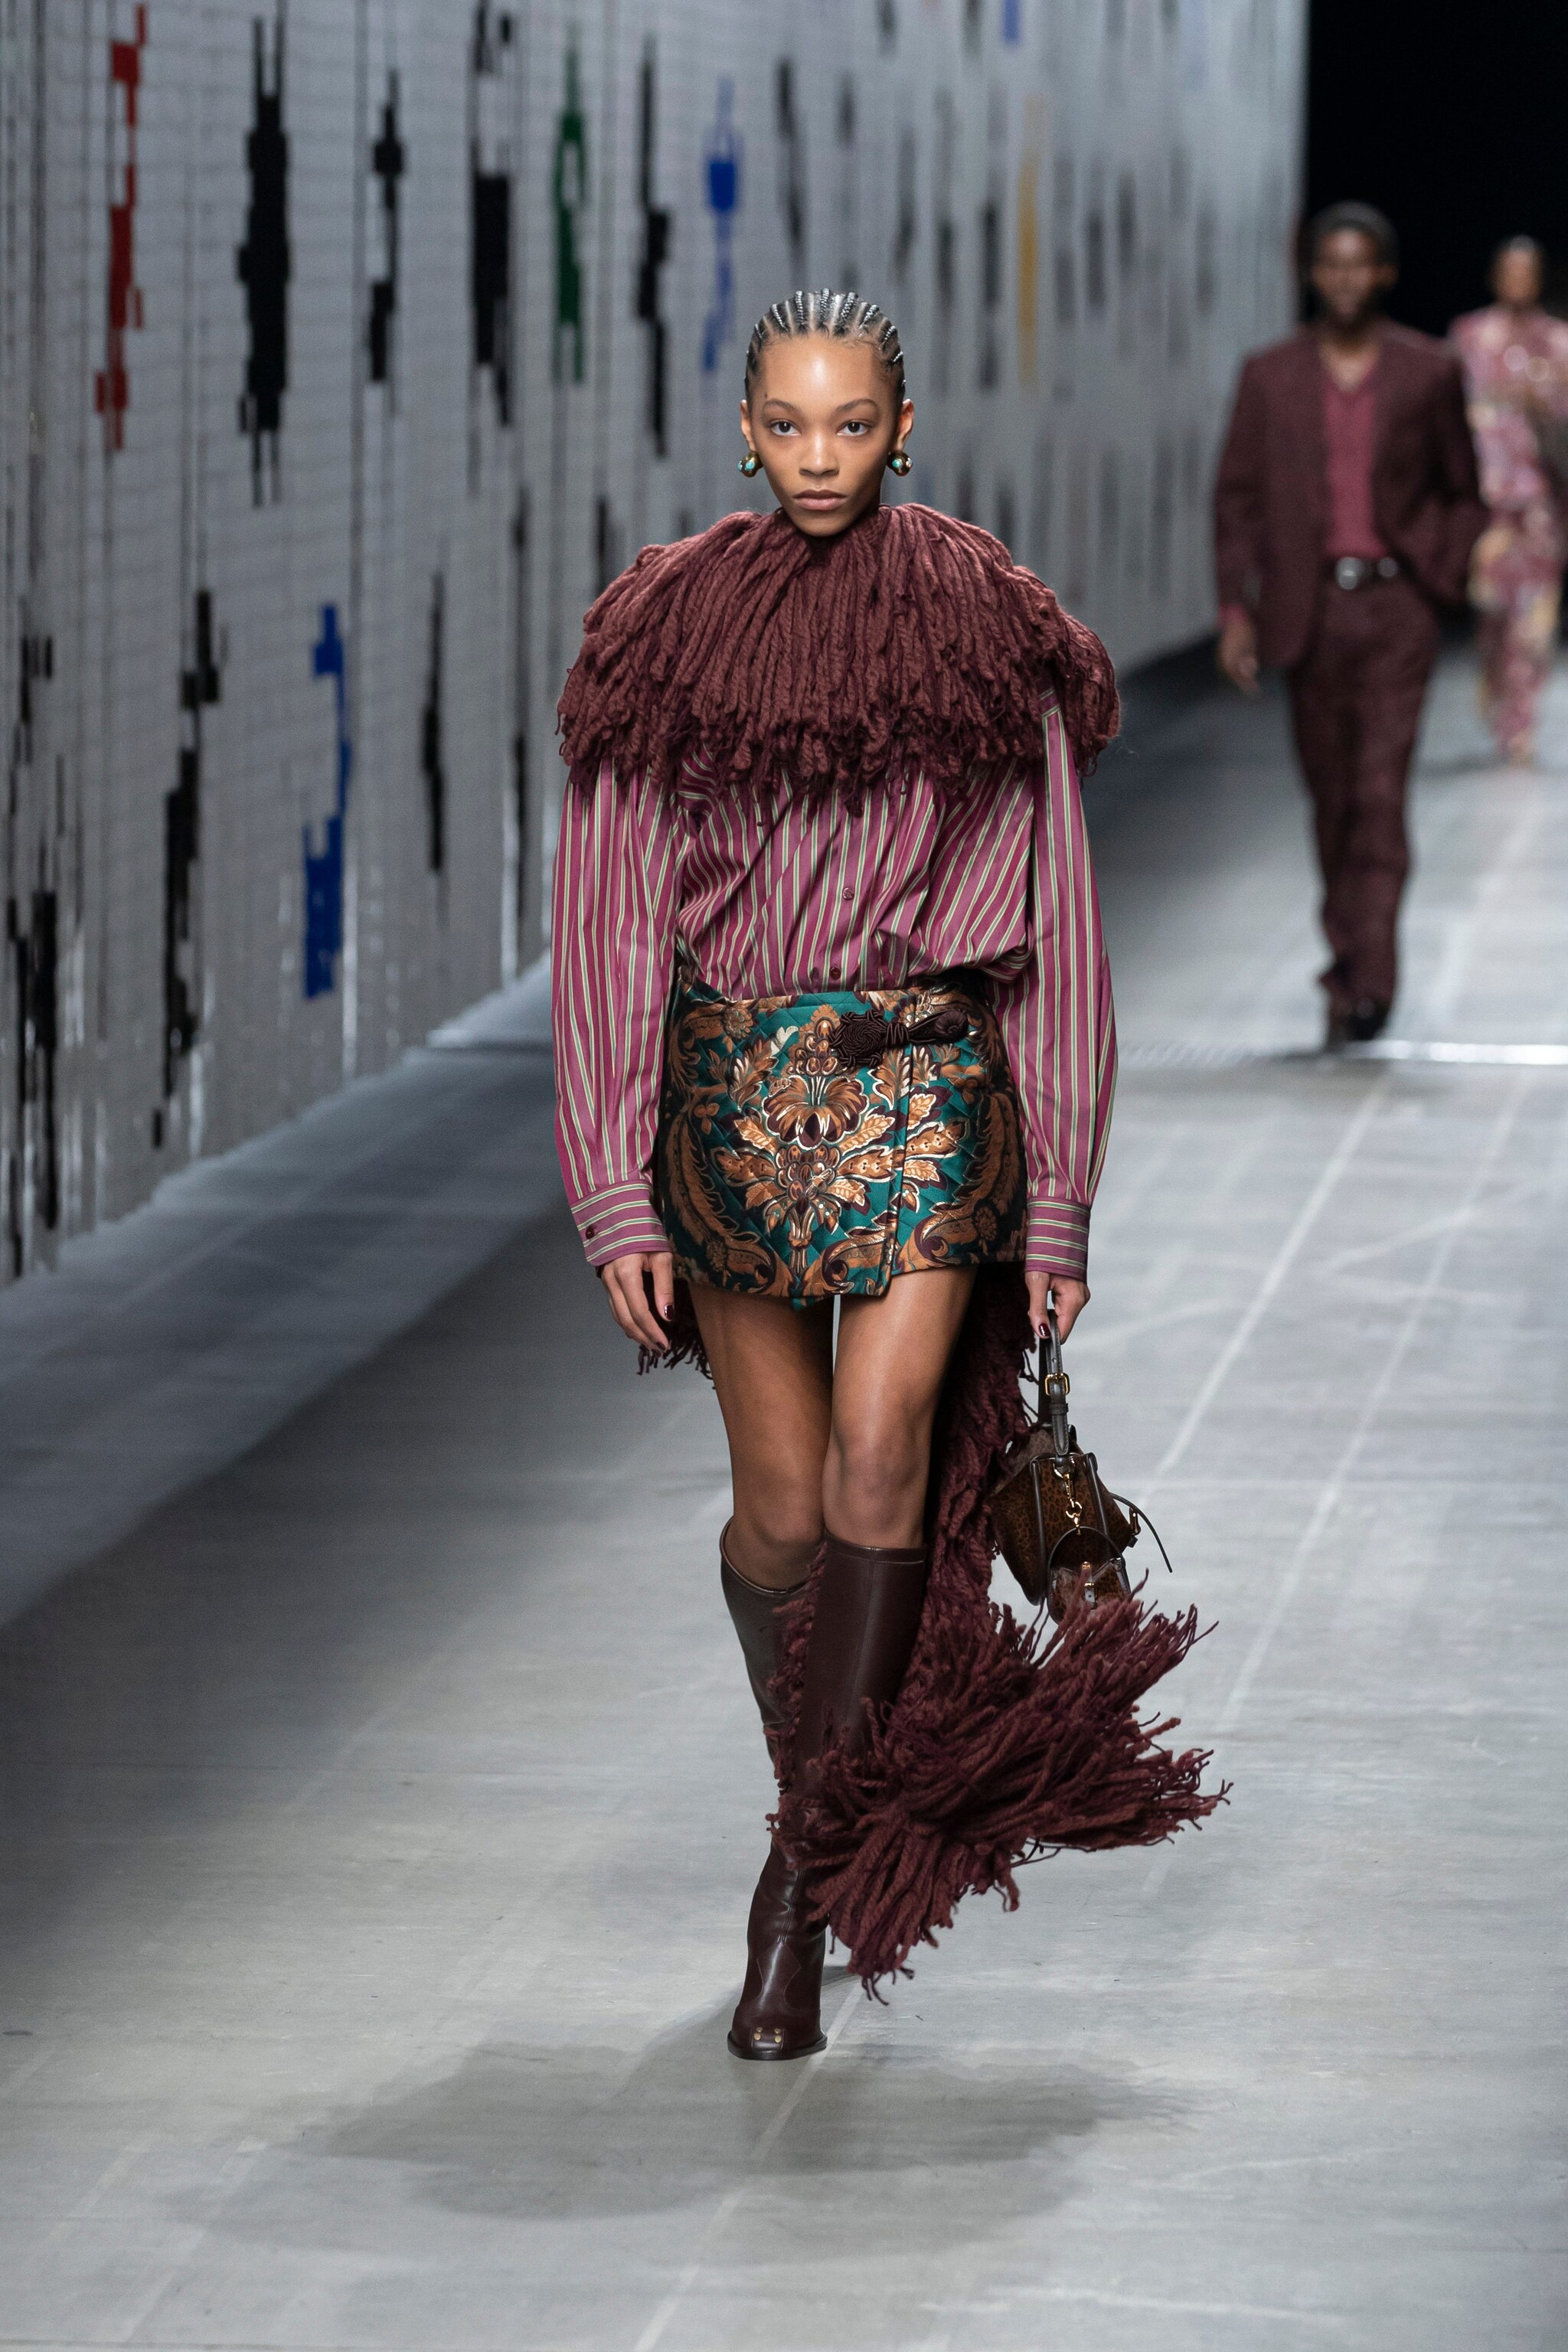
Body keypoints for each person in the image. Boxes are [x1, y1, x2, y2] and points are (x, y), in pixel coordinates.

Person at [552, 289, 1217, 2063]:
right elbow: (608, 913)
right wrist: (610, 1185)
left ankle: (794, 1885)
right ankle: (833, 1809)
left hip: (929, 1090)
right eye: (788, 424)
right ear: (744, 430)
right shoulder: (671, 627)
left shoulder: (981, 621)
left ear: (902, 426)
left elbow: (1056, 920)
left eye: (851, 423)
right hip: (728, 1100)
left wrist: (1056, 1192)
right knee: (781, 1516)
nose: (820, 456)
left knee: (877, 1457)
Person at [1214, 204, 1485, 1047]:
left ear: (1384, 273)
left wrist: (1439, 574)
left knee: (1378, 794)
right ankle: (1347, 958)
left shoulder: (1427, 370)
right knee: (1332, 799)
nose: (1342, 278)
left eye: (1357, 263)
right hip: (1309, 610)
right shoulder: (1269, 374)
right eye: (1328, 263)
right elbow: (1237, 499)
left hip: (1395, 607)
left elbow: (1464, 490)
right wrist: (1235, 611)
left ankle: (1369, 981)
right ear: (1310, 272)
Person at [1452, 238, 1568, 765]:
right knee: (1493, 607)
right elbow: (1445, 413)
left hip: (1541, 500)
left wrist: (1545, 402)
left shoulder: (1559, 341)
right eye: (1509, 271)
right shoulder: (1470, 336)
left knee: (1535, 612)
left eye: (1528, 271)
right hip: (1485, 499)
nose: (1518, 281)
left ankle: (1521, 723)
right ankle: (1496, 684)